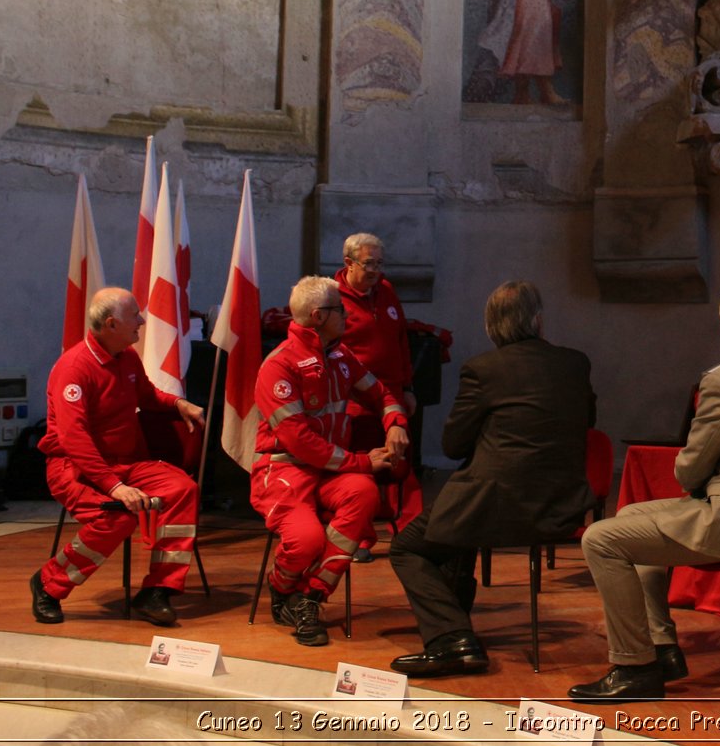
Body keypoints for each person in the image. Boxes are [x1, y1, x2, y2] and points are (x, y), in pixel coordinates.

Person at [568, 279, 720, 703]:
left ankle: (633, 666)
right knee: (629, 518)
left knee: (600, 539)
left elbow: (688, 471)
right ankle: (662, 649)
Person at [389, 280, 595, 678]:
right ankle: (456, 626)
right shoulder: (575, 362)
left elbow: (453, 444)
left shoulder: (483, 369)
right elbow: (587, 421)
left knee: (407, 548)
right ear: (538, 321)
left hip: (498, 506)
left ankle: (452, 640)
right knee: (455, 525)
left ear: (491, 328)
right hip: (562, 504)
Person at [31, 287, 205, 627]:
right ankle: (49, 584)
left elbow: (147, 393)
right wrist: (113, 487)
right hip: (75, 468)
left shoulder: (126, 356)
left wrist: (176, 403)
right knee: (119, 516)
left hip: (126, 463)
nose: (141, 321)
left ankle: (157, 591)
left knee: (183, 489)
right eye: (134, 316)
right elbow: (74, 439)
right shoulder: (74, 368)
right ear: (111, 324)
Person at [251, 276, 407, 646]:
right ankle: (280, 587)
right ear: (319, 316)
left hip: (330, 471)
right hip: (285, 469)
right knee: (306, 540)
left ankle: (310, 597)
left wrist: (395, 422)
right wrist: (360, 462)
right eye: (341, 309)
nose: (348, 315)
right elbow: (299, 442)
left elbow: (380, 392)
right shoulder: (279, 366)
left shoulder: (339, 355)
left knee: (365, 494)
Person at [333, 232, 420, 549]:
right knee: (362, 469)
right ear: (349, 263)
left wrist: (407, 387)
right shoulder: (333, 297)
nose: (375, 271)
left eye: (380, 264)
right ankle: (362, 538)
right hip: (355, 401)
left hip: (393, 395)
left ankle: (409, 535)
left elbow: (401, 341)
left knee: (401, 464)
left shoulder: (386, 290)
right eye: (369, 264)